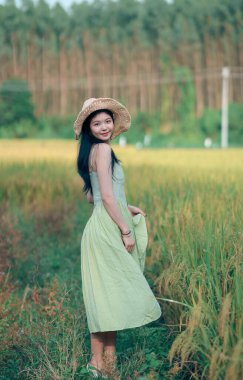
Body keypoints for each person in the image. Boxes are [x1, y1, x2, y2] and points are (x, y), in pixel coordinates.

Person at [74, 98, 162, 379]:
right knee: (110, 294)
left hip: (100, 224)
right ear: (89, 127)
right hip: (108, 229)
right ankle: (98, 363)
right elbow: (107, 197)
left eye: (107, 121)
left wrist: (127, 207)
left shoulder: (91, 152)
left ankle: (106, 364)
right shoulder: (102, 149)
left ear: (114, 122)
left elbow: (94, 195)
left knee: (106, 296)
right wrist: (126, 229)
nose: (103, 126)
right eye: (97, 123)